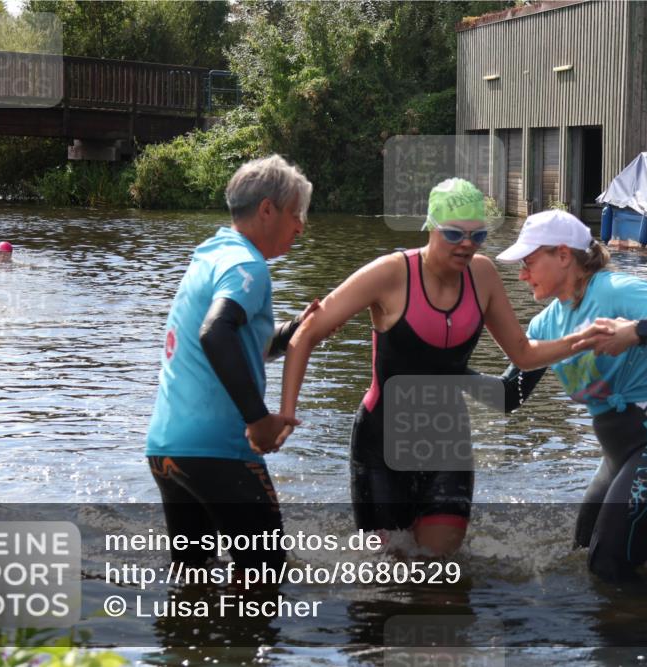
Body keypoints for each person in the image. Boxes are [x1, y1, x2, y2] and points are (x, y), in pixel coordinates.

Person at [278, 178, 604, 556]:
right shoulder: (390, 274)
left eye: (478, 235)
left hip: (447, 442)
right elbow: (305, 334)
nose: (467, 244)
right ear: (431, 227)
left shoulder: (482, 276)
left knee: (440, 575)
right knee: (390, 574)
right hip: (382, 443)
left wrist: (584, 339)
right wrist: (286, 414)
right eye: (454, 233)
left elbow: (523, 354)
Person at [480, 209, 647, 580]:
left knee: (606, 564)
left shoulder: (613, 289)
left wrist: (636, 331)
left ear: (563, 255)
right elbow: (508, 395)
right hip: (617, 458)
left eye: (529, 262)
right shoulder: (545, 324)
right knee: (586, 553)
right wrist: (443, 367)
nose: (522, 274)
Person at [145, 154, 314, 570]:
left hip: (169, 448)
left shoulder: (212, 253)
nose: (300, 226)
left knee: (193, 577)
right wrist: (258, 419)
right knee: (265, 573)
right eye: (296, 213)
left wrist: (297, 330)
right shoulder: (247, 265)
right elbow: (215, 333)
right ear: (267, 210)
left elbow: (237, 342)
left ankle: (190, 634)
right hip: (219, 449)